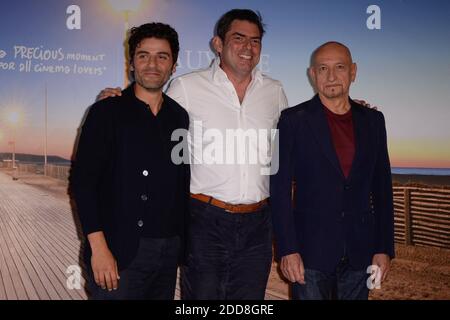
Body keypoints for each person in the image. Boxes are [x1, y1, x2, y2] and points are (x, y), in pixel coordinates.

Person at [99, 9, 288, 299]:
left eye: (255, 40)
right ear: (217, 43)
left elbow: (295, 137)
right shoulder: (186, 87)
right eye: (238, 38)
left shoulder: (275, 92)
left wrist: (348, 109)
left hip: (258, 225)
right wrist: (116, 101)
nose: (247, 48)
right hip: (204, 221)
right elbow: (149, 116)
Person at [70, 22, 190, 300]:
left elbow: (179, 178)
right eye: (143, 55)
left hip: (168, 251)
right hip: (119, 250)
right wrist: (99, 249)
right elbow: (83, 183)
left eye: (162, 56)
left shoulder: (179, 116)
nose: (152, 64)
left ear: (173, 65)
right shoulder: (105, 111)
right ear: (131, 63)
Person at [270, 41, 395, 300]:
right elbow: (279, 190)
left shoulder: (374, 121)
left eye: (339, 67)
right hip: (309, 254)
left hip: (361, 253)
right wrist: (287, 249)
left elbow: (382, 189)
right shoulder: (292, 121)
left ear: (353, 71)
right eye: (323, 69)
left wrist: (384, 248)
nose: (331, 76)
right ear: (312, 75)